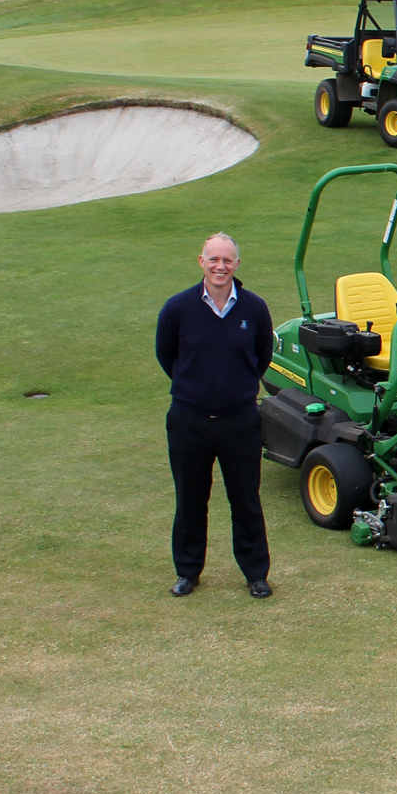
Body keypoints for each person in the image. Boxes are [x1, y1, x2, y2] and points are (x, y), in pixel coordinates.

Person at [154, 232, 275, 599]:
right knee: (190, 499)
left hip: (239, 421)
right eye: (213, 259)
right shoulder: (177, 308)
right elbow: (166, 356)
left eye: (227, 260)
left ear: (237, 265)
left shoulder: (254, 308)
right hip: (189, 420)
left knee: (246, 499)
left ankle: (256, 574)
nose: (220, 266)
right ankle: (188, 572)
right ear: (201, 262)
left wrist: (234, 389)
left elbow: (262, 356)